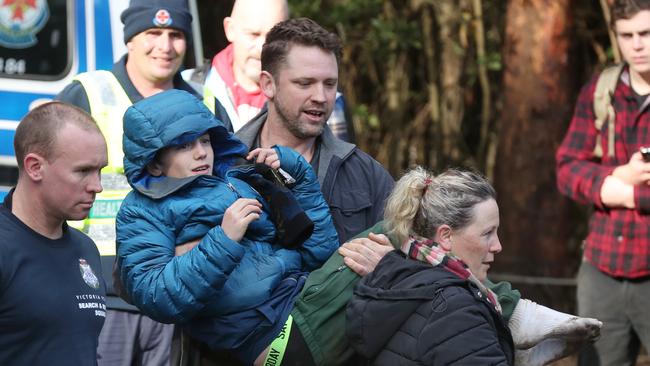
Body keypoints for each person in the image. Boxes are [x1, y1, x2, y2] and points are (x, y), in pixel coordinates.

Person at [230, 17, 601, 366]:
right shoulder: (219, 166)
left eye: (330, 84)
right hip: (256, 342)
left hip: (348, 346)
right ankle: (511, 315)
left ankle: (506, 323)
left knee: (416, 240)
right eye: (304, 83)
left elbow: (425, 262)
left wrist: (389, 267)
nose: (321, 97)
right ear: (268, 84)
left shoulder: (364, 174)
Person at [115, 89, 339, 365]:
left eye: (205, 141)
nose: (200, 153)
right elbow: (155, 294)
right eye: (183, 146)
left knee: (390, 263)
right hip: (262, 331)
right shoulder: (141, 211)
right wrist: (224, 239)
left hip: (304, 296)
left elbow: (321, 253)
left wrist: (301, 177)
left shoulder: (237, 180)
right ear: (154, 163)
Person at [54, 0, 219, 364]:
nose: (165, 45)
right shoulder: (88, 93)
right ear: (129, 39)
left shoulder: (205, 102)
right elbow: (48, 194)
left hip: (178, 294)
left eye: (175, 34)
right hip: (98, 294)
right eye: (153, 33)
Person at [556, 0, 650, 364]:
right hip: (602, 267)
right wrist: (612, 178)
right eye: (627, 35)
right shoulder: (602, 90)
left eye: (645, 33)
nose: (637, 45)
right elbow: (567, 167)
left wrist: (630, 195)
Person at [346, 167, 515, 365]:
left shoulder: (398, 281)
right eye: (487, 233)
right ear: (446, 236)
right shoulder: (456, 310)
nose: (498, 246)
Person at [0, 102, 108, 365]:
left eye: (100, 170)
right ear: (35, 167)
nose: (98, 186)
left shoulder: (86, 249)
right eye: (83, 171)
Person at [186, 0, 353, 141]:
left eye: (272, 36)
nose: (261, 47)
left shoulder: (328, 100)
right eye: (253, 34)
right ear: (230, 29)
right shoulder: (187, 87)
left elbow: (338, 173)